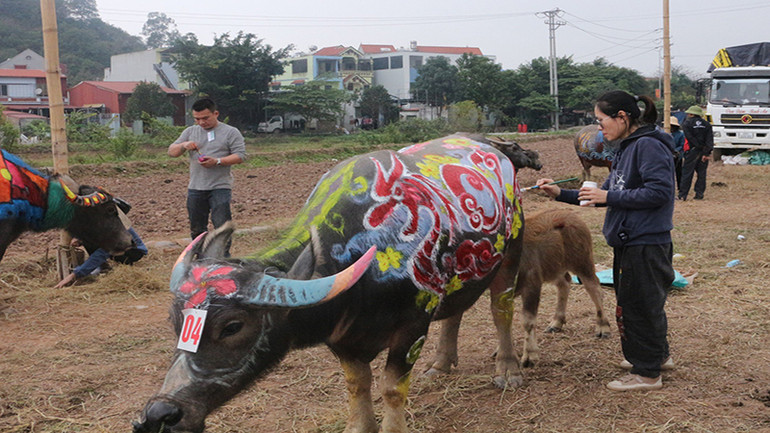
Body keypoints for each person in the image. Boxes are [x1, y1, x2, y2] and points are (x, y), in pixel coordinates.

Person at [535, 90, 676, 392]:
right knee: (637, 302)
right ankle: (656, 357)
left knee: (641, 305)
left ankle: (647, 373)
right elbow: (599, 196)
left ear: (622, 118)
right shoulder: (626, 148)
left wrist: (609, 196)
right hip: (629, 240)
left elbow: (660, 192)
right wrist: (560, 194)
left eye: (601, 121)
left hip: (646, 241)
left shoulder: (649, 146)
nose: (600, 129)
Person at [168, 98, 246, 255]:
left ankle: (223, 258)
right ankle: (200, 258)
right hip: (196, 187)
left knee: (222, 226)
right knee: (197, 227)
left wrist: (217, 161)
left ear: (216, 114)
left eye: (205, 118)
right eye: (197, 119)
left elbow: (240, 156)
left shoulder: (230, 132)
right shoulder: (190, 132)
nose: (201, 122)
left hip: (220, 187)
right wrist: (184, 145)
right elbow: (172, 151)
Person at [54, 199, 148, 289]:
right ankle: (103, 266)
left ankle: (103, 267)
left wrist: (74, 275)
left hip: (135, 252)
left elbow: (101, 254)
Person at [678, 105, 713, 200]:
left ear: (691, 114)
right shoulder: (707, 124)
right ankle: (699, 194)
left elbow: (690, 138)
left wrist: (697, 147)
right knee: (701, 174)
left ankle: (682, 195)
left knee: (687, 173)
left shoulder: (687, 124)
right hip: (704, 151)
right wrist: (706, 152)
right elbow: (710, 140)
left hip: (692, 151)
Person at [670, 116, 685, 193]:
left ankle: (680, 188)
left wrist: (676, 151)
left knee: (679, 172)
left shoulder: (680, 134)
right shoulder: (665, 133)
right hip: (667, 155)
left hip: (677, 156)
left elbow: (682, 145)